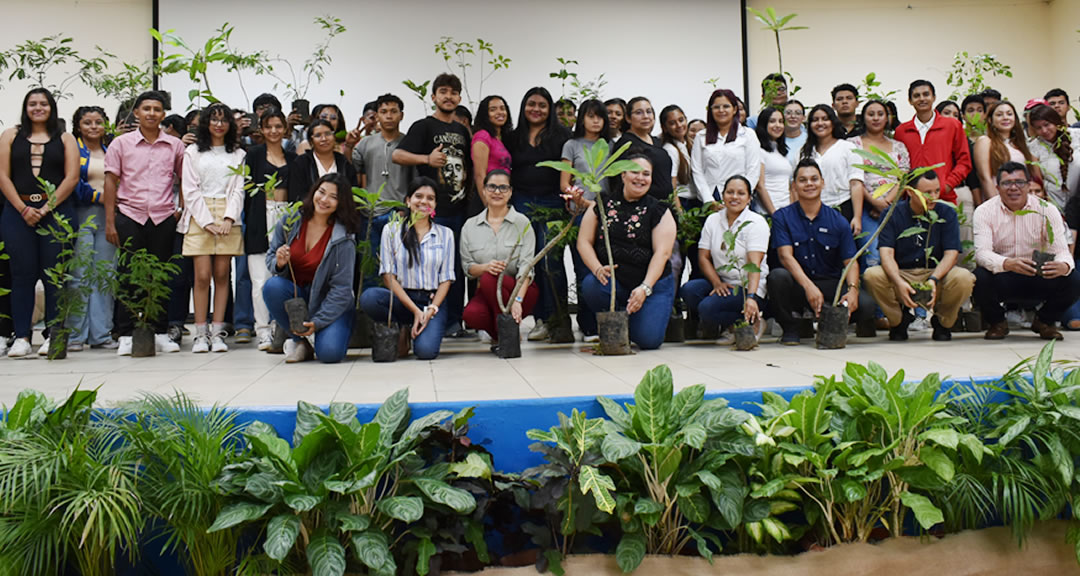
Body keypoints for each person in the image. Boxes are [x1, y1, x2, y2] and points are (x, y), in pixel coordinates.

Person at [103, 90, 184, 356]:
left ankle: (160, 331)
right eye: (146, 108)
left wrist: (179, 208)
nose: (151, 113)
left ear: (163, 114)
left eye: (157, 109)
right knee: (128, 276)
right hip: (130, 215)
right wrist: (110, 222)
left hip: (163, 217)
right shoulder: (121, 144)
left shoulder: (174, 145)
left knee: (161, 275)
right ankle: (126, 333)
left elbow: (184, 179)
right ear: (136, 113)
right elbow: (110, 182)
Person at [0, 88, 79, 357]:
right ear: (26, 107)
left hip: (56, 214)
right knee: (21, 275)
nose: (38, 108)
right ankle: (21, 336)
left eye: (43, 104)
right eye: (32, 104)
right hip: (17, 213)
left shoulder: (66, 138)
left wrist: (45, 208)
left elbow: (71, 178)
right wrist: (23, 209)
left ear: (51, 107)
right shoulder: (11, 135)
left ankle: (53, 335)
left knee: (55, 277)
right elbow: (2, 175)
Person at [393, 73, 473, 338]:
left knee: (455, 269)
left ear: (459, 98)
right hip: (430, 212)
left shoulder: (462, 130)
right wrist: (426, 158)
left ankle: (454, 323)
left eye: (453, 92)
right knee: (431, 266)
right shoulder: (423, 126)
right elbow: (397, 155)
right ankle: (424, 316)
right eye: (443, 91)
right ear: (434, 97)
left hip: (459, 209)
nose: (448, 96)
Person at [768, 159, 875, 345]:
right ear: (794, 186)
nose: (809, 184)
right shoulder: (782, 217)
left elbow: (850, 261)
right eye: (803, 180)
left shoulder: (838, 220)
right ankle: (791, 327)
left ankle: (829, 323)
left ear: (822, 183)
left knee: (866, 306)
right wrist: (809, 287)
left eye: (814, 179)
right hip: (798, 284)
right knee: (777, 277)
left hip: (829, 284)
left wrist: (852, 290)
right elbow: (785, 257)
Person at [577, 153, 676, 350]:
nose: (640, 178)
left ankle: (637, 317)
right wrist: (597, 268)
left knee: (648, 341)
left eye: (646, 174)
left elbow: (662, 254)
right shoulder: (601, 205)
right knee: (592, 285)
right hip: (615, 283)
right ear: (622, 175)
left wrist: (645, 288)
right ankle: (619, 315)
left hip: (651, 286)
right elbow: (583, 242)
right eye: (635, 172)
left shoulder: (660, 210)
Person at [973, 162, 1080, 340]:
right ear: (998, 187)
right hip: (1004, 274)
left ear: (1029, 185)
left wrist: (1063, 265)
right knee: (979, 277)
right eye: (1007, 183)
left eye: (1020, 182)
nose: (1013, 188)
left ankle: (1045, 321)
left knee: (1074, 278)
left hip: (1038, 274)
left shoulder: (1047, 210)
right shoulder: (984, 211)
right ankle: (997, 322)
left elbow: (1062, 250)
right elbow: (982, 253)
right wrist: (1007, 263)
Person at [864, 170, 974, 341]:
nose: (933, 196)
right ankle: (898, 321)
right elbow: (886, 254)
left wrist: (934, 279)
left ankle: (943, 323)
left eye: (936, 191)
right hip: (902, 273)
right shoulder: (892, 213)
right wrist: (899, 282)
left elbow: (951, 253)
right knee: (872, 275)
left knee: (964, 277)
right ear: (910, 192)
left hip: (935, 273)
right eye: (927, 192)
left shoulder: (946, 213)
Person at [264, 173, 361, 363]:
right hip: (298, 295)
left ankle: (336, 329)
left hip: (331, 302)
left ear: (341, 203)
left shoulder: (344, 238)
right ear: (314, 191)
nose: (324, 200)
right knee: (272, 286)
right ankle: (300, 341)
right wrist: (279, 263)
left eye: (333, 197)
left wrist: (318, 322)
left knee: (330, 355)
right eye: (321, 192)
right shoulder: (291, 221)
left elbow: (342, 289)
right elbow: (271, 257)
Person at [360, 176, 455, 360]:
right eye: (418, 196)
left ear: (435, 204)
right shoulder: (392, 230)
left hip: (431, 301)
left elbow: (446, 279)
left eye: (430, 198)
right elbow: (388, 276)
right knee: (369, 298)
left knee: (426, 352)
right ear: (408, 201)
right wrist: (415, 311)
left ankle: (420, 326)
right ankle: (402, 326)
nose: (424, 202)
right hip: (402, 300)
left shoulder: (446, 234)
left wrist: (431, 309)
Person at [177, 102, 246, 353]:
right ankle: (200, 333)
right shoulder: (193, 152)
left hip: (228, 214)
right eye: (214, 119)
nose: (219, 124)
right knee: (202, 275)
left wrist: (228, 218)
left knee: (221, 274)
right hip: (199, 214)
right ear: (206, 122)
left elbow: (239, 188)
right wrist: (206, 221)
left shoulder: (238, 153)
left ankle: (218, 332)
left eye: (224, 120)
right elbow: (189, 189)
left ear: (230, 125)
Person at [507, 86, 571, 341]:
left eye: (542, 105)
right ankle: (540, 319)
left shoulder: (562, 136)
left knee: (551, 261)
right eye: (531, 104)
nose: (536, 109)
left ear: (550, 109)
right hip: (521, 202)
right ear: (524, 107)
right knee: (528, 261)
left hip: (552, 203)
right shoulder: (513, 137)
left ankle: (559, 318)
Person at [460, 170, 538, 351]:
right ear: (484, 190)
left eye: (503, 187)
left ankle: (504, 337)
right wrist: (485, 267)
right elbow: (467, 267)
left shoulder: (522, 223)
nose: (497, 192)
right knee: (471, 315)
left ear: (510, 192)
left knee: (489, 278)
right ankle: (505, 333)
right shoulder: (470, 226)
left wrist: (518, 299)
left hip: (520, 290)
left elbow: (526, 267)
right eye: (492, 187)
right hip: (487, 292)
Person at [681, 175, 769, 336]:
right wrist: (716, 283)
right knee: (690, 290)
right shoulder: (713, 220)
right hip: (724, 283)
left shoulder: (756, 223)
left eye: (741, 193)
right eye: (730, 192)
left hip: (746, 286)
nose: (735, 197)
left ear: (749, 198)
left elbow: (754, 265)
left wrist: (751, 296)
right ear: (723, 195)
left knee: (707, 308)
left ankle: (752, 321)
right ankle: (728, 323)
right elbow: (703, 257)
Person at [243, 108, 296, 350]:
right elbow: (245, 189)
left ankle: (280, 327)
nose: (273, 131)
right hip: (259, 217)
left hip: (287, 217)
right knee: (260, 279)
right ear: (261, 130)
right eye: (269, 127)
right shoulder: (252, 155)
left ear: (285, 129)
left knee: (283, 276)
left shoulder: (294, 157)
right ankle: (262, 329)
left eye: (278, 126)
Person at [67, 105, 117, 351]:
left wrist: (111, 203)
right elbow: (75, 184)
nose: (94, 127)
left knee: (105, 276)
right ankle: (75, 334)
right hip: (82, 216)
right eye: (88, 122)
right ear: (78, 126)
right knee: (79, 276)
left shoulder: (112, 149)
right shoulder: (73, 149)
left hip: (109, 218)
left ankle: (101, 334)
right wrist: (105, 198)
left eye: (98, 122)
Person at [561, 99, 611, 341]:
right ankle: (588, 324)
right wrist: (589, 205)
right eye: (590, 116)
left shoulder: (610, 145)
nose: (595, 121)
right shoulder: (571, 145)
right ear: (582, 118)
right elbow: (565, 184)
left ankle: (608, 320)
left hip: (607, 217)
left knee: (607, 267)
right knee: (585, 270)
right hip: (582, 214)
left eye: (600, 116)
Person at [850, 100, 910, 267]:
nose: (875, 118)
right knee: (872, 257)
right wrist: (874, 203)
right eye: (871, 114)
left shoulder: (899, 146)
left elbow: (903, 178)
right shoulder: (852, 144)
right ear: (863, 118)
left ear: (887, 118)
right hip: (866, 208)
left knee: (897, 255)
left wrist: (886, 203)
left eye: (880, 114)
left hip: (895, 208)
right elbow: (853, 177)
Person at [352, 93, 413, 258]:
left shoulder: (409, 143)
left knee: (397, 261)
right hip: (370, 212)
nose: (389, 116)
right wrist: (349, 146)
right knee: (369, 263)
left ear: (401, 115)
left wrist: (405, 209)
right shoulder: (365, 143)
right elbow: (352, 171)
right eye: (384, 111)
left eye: (394, 111)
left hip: (398, 211)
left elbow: (415, 180)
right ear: (377, 115)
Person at [893, 80, 972, 205]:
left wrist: (947, 185)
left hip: (943, 198)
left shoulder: (952, 126)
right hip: (911, 201)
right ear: (910, 101)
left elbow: (964, 161)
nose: (922, 99)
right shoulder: (901, 131)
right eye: (916, 96)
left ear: (934, 97)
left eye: (926, 94)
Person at [799, 104, 865, 233]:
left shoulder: (848, 148)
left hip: (842, 207)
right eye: (815, 120)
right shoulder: (803, 152)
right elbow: (795, 187)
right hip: (810, 211)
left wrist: (857, 217)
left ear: (833, 122)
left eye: (825, 119)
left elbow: (856, 183)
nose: (820, 123)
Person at [691, 89, 761, 205]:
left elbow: (753, 170)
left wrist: (742, 196)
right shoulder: (701, 136)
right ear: (711, 110)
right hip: (710, 197)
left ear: (734, 109)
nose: (721, 110)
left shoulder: (748, 135)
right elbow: (697, 170)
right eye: (716, 107)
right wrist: (709, 200)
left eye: (726, 106)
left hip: (739, 199)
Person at [973, 100, 1041, 200]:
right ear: (990, 120)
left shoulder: (1020, 144)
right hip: (999, 199)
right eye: (999, 115)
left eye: (1009, 114)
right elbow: (985, 178)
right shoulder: (985, 141)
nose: (1005, 118)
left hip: (1020, 201)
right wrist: (996, 205)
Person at [616, 97, 675, 202]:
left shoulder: (656, 141)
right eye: (639, 113)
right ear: (628, 118)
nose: (646, 116)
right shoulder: (625, 144)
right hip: (643, 205)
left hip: (664, 204)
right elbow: (620, 181)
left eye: (649, 112)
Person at [288, 119, 359, 203]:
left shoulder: (343, 162)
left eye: (328, 134)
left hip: (341, 213)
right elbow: (296, 195)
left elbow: (353, 193)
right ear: (311, 141)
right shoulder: (301, 163)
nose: (324, 139)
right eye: (318, 135)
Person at [1027, 104, 1076, 210]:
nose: (1044, 131)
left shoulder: (1076, 136)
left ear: (1056, 121)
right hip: (1054, 205)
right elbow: (1038, 181)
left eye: (1047, 124)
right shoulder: (1034, 147)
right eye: (1039, 128)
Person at [471, 95, 513, 195]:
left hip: (502, 194)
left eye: (503, 108)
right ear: (485, 114)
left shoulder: (503, 138)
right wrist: (488, 206)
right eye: (493, 109)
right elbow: (479, 175)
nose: (500, 112)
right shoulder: (482, 136)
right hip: (489, 196)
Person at [753, 107, 792, 214]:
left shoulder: (782, 151)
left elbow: (788, 185)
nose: (777, 125)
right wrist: (774, 213)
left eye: (780, 121)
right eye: (772, 121)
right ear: (763, 124)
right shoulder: (759, 150)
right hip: (768, 212)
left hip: (786, 211)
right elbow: (760, 186)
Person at [659, 104, 695, 206]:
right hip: (683, 201)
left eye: (681, 120)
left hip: (694, 200)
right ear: (665, 128)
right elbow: (672, 187)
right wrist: (681, 216)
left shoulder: (689, 144)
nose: (679, 125)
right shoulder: (671, 150)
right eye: (672, 123)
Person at [961, 94, 986, 204]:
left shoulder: (991, 140)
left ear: (985, 115)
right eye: (970, 110)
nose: (975, 114)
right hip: (967, 196)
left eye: (979, 110)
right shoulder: (960, 140)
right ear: (963, 116)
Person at [782, 100, 807, 165]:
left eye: (798, 113)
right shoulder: (775, 139)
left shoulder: (809, 139)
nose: (793, 116)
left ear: (804, 118)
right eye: (788, 113)